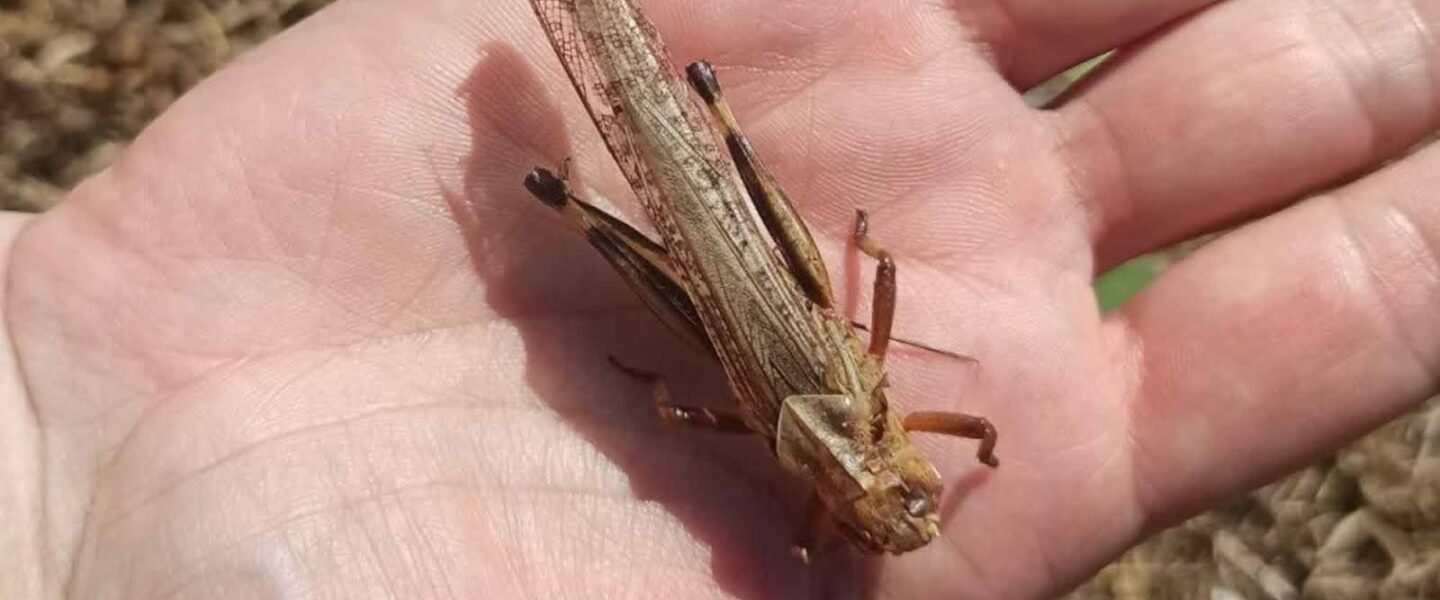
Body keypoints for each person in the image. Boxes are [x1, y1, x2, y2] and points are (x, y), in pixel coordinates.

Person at [2, 0, 1435, 598]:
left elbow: (766, 389)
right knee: (712, 170)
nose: (898, 502)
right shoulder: (848, 459)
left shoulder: (841, 470)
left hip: (758, 334)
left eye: (892, 508)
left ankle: (607, 136)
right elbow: (852, 317)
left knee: (677, 217)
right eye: (898, 500)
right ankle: (617, 91)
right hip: (776, 306)